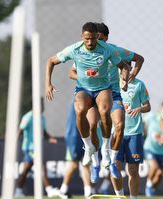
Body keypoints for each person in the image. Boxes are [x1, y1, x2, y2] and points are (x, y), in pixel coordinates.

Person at [45, 22, 130, 182]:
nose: (90, 42)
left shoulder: (107, 50)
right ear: (82, 37)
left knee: (105, 112)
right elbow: (51, 61)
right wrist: (48, 84)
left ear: (97, 37)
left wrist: (124, 79)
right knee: (81, 112)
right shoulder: (75, 49)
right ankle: (89, 147)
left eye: (93, 39)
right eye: (87, 39)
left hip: (103, 88)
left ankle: (105, 149)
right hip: (83, 89)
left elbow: (123, 65)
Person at [68, 22, 144, 184]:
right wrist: (85, 76)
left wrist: (130, 75)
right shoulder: (85, 51)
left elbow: (138, 59)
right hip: (91, 93)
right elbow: (72, 72)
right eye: (93, 38)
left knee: (119, 125)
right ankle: (96, 163)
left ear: (105, 37)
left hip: (113, 93)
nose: (94, 42)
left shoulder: (114, 51)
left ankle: (112, 161)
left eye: (98, 38)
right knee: (92, 125)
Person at [112, 67, 151, 199]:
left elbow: (148, 106)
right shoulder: (111, 83)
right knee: (114, 167)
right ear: (119, 70)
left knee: (133, 170)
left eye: (129, 69)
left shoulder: (139, 85)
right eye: (123, 69)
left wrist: (139, 108)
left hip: (134, 133)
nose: (127, 72)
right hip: (115, 132)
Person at [14, 101, 60, 198]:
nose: (43, 107)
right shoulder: (28, 117)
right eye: (41, 105)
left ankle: (18, 191)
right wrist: (14, 143)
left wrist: (50, 138)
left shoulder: (41, 117)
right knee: (40, 165)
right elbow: (20, 130)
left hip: (37, 148)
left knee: (26, 170)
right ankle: (49, 189)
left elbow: (43, 131)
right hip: (30, 147)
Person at [59, 99, 92, 199]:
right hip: (74, 137)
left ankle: (88, 192)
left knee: (85, 163)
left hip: (83, 136)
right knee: (73, 164)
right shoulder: (79, 100)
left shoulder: (87, 99)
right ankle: (63, 190)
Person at [143, 100, 163, 197]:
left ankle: (151, 188)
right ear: (160, 108)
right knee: (154, 167)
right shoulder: (152, 117)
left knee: (159, 174)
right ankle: (148, 186)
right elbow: (143, 124)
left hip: (162, 151)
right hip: (149, 148)